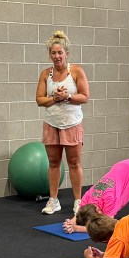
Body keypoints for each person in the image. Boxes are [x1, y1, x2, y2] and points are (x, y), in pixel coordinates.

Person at [35, 30, 89, 215]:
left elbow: (85, 97)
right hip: (51, 123)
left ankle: (78, 202)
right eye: (53, 53)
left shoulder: (76, 71)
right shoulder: (45, 74)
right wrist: (55, 99)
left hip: (72, 123)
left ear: (67, 53)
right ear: (49, 54)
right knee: (53, 163)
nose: (57, 56)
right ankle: (53, 200)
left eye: (60, 53)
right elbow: (39, 100)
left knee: (74, 163)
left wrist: (67, 97)